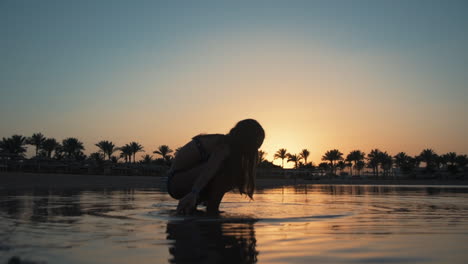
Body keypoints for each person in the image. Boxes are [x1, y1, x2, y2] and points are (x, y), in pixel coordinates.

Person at [167, 119, 265, 215]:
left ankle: (202, 207)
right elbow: (210, 168)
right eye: (254, 146)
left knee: (235, 172)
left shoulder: (230, 146)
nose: (254, 151)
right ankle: (212, 209)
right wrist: (194, 193)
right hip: (176, 183)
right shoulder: (224, 145)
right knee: (228, 170)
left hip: (188, 181)